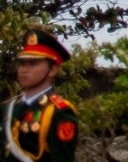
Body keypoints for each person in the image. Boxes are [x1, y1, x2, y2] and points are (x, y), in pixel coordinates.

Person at [5, 29, 77, 162]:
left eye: (33, 63)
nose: (24, 70)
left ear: (53, 70)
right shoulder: (8, 108)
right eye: (22, 63)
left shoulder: (59, 112)